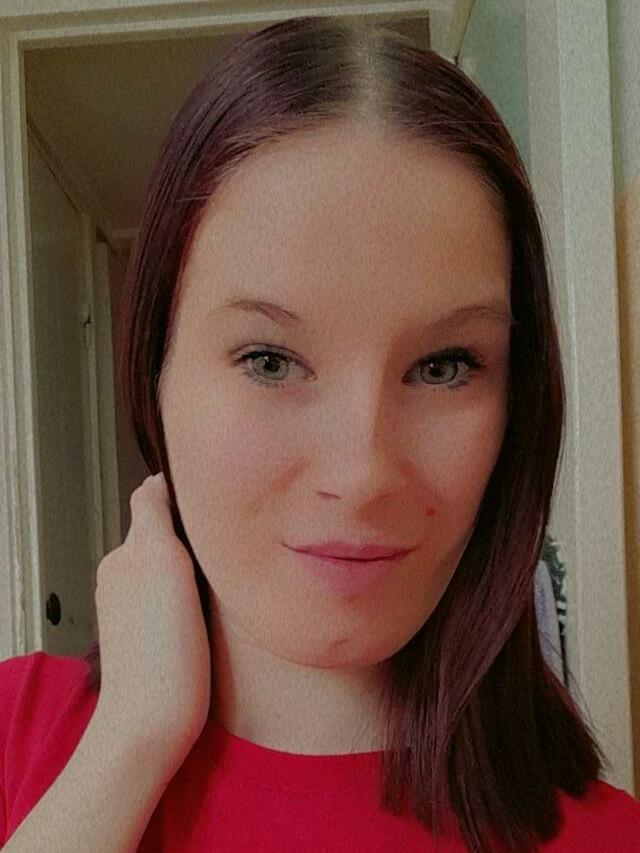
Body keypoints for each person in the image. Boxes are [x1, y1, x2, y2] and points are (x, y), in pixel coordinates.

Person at [2, 15, 639, 853]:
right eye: (269, 360)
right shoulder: (16, 733)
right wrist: (128, 741)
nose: (363, 472)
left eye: (444, 365)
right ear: (156, 372)